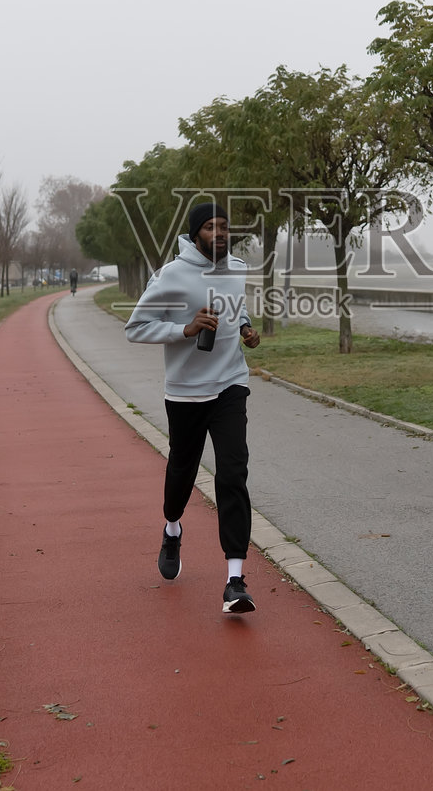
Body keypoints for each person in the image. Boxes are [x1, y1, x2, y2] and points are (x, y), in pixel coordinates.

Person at [124, 202, 261, 614]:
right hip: (185, 391)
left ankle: (235, 579)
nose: (219, 233)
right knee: (181, 472)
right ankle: (171, 527)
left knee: (233, 473)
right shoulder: (171, 276)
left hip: (230, 385)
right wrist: (184, 329)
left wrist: (247, 329)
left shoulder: (236, 267)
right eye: (210, 227)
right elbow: (136, 327)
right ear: (195, 233)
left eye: (224, 226)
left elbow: (237, 310)